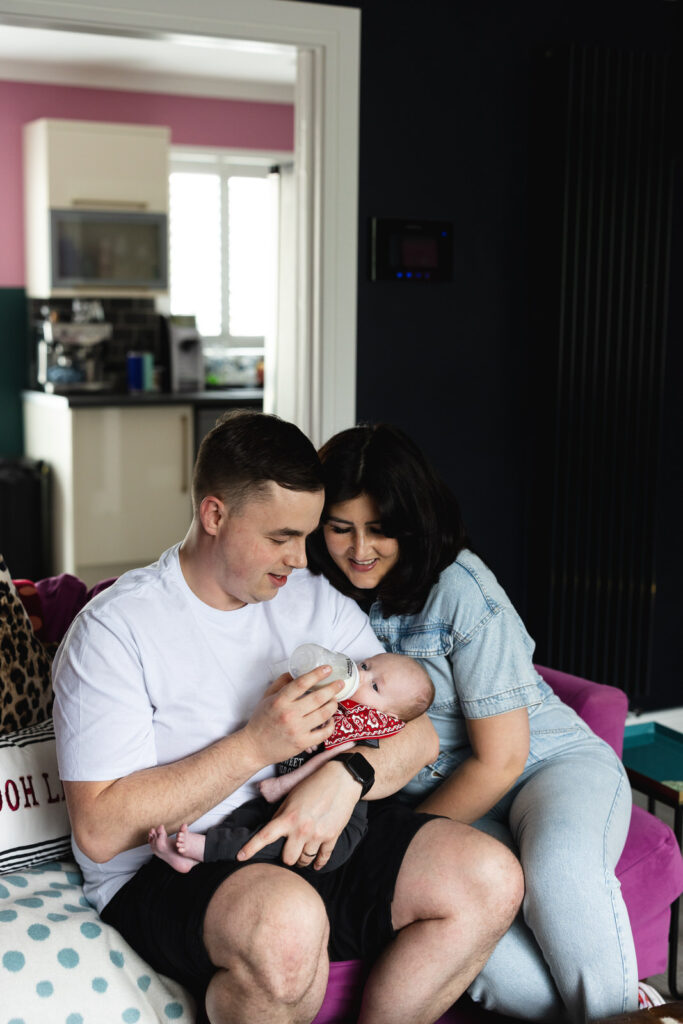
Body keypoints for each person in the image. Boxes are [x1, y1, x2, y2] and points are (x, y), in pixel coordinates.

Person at [52, 409, 523, 1024]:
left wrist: (348, 774)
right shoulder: (115, 629)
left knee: (489, 876)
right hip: (169, 867)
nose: (302, 559)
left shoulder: (311, 602)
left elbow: (418, 732)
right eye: (280, 538)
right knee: (286, 925)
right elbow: (100, 829)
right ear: (214, 515)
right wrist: (255, 746)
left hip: (304, 837)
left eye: (305, 535)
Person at [307, 421, 641, 1024]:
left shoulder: (461, 590)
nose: (359, 549)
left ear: (412, 522)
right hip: (455, 798)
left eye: (380, 529)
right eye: (340, 527)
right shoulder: (316, 595)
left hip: (545, 765)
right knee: (481, 957)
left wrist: (405, 843)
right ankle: (630, 1008)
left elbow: (502, 759)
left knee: (559, 870)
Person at [148, 651, 435, 874]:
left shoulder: (363, 728)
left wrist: (283, 783)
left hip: (331, 830)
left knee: (270, 838)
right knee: (244, 819)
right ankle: (188, 858)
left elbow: (331, 762)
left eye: (374, 686)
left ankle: (204, 848)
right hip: (285, 801)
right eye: (366, 666)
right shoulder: (332, 705)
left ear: (387, 716)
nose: (360, 676)